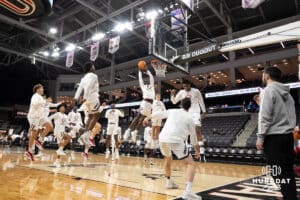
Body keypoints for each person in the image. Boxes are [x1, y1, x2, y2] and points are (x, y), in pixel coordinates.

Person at [143, 98, 201, 200]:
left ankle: (169, 182)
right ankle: (188, 192)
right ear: (190, 106)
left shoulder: (173, 111)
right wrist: (197, 150)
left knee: (168, 158)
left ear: (180, 105)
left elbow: (159, 114)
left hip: (163, 139)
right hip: (176, 140)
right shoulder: (190, 118)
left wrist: (148, 118)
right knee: (190, 164)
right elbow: (193, 138)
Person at [256, 67, 297, 200]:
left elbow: (265, 117)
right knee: (287, 170)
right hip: (287, 136)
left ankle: (289, 196)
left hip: (274, 138)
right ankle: (290, 196)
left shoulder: (268, 90)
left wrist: (260, 137)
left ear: (267, 76)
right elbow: (281, 113)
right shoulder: (288, 93)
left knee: (277, 172)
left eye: (263, 75)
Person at [123, 68, 155, 143]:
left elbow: (151, 77)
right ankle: (128, 130)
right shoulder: (143, 87)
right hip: (145, 102)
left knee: (142, 120)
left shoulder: (152, 87)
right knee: (138, 117)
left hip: (150, 105)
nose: (147, 83)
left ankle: (135, 132)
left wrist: (147, 70)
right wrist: (140, 72)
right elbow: (140, 79)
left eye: (148, 83)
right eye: (146, 83)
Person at [74, 62, 101, 147]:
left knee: (90, 116)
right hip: (93, 97)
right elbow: (89, 86)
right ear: (91, 68)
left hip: (87, 100)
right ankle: (87, 135)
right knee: (96, 116)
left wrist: (76, 97)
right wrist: (85, 96)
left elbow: (80, 88)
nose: (94, 68)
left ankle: (84, 135)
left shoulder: (84, 78)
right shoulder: (94, 75)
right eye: (93, 66)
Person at [171, 80, 206, 144]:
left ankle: (201, 149)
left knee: (197, 129)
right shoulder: (181, 92)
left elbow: (201, 101)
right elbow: (174, 102)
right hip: (186, 113)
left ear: (190, 85)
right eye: (184, 86)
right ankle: (188, 147)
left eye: (187, 86)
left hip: (195, 112)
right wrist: (172, 95)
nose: (185, 88)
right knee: (186, 131)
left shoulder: (196, 91)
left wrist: (204, 111)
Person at [25, 84, 54, 161]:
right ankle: (29, 151)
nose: (43, 89)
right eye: (42, 88)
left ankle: (39, 140)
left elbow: (43, 105)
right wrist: (45, 101)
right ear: (37, 89)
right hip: (33, 117)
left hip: (40, 117)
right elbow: (35, 104)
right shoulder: (35, 96)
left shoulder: (41, 97)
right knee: (34, 134)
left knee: (50, 127)